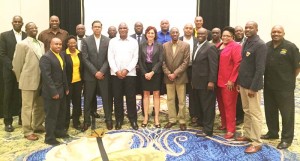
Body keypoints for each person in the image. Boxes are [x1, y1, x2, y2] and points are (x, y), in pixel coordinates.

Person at [261, 25, 300, 149]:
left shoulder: (290, 47)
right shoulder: (266, 46)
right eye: (273, 32)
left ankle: (286, 139)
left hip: (285, 87)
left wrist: (289, 80)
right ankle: (273, 132)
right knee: (270, 111)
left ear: (283, 33)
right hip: (268, 86)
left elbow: (297, 67)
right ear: (270, 33)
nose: (276, 34)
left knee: (286, 114)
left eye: (278, 32)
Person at [236, 21, 267, 153]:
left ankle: (256, 141)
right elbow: (244, 64)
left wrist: (253, 88)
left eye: (250, 27)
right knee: (246, 110)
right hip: (243, 83)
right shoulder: (246, 42)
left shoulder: (260, 45)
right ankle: (248, 135)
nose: (247, 29)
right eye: (246, 27)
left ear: (257, 29)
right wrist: (239, 82)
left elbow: (260, 69)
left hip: (252, 86)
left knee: (255, 114)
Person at [12, 22, 45, 140]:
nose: (34, 29)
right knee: (27, 107)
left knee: (40, 105)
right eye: (31, 28)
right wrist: (20, 78)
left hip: (41, 80)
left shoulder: (41, 44)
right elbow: (17, 64)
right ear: (26, 30)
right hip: (28, 80)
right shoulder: (22, 44)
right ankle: (27, 131)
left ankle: (38, 125)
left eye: (36, 27)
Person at [81, 20, 113, 131]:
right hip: (90, 75)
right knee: (88, 99)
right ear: (92, 28)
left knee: (106, 98)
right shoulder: (85, 40)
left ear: (101, 28)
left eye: (99, 27)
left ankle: (108, 120)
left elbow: (109, 58)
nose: (97, 28)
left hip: (104, 75)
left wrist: (102, 72)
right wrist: (95, 72)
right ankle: (86, 121)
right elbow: (84, 58)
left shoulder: (108, 40)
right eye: (95, 27)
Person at [108, 22, 139, 130]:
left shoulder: (134, 42)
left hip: (130, 74)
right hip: (115, 74)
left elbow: (135, 58)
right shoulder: (112, 42)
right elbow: (110, 58)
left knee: (131, 98)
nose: (122, 29)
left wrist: (126, 70)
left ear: (128, 29)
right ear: (118, 30)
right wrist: (117, 71)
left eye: (124, 27)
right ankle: (119, 120)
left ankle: (133, 119)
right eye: (120, 28)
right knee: (117, 98)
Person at [40, 38, 69, 145]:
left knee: (61, 113)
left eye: (60, 44)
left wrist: (66, 88)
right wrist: (54, 92)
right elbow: (47, 77)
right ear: (50, 44)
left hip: (62, 90)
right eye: (56, 44)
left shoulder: (61, 55)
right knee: (51, 116)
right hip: (52, 92)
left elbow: (63, 73)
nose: (58, 46)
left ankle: (59, 132)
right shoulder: (46, 57)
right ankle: (49, 137)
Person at [0, 15, 26, 132]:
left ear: (22, 23)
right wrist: (13, 67)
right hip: (9, 71)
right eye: (15, 21)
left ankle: (22, 118)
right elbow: (2, 54)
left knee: (23, 96)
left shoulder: (26, 36)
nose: (17, 23)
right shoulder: (4, 36)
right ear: (12, 23)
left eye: (19, 22)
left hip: (24, 71)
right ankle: (8, 122)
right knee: (8, 96)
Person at [216, 27, 242, 139]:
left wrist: (232, 80)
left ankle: (231, 129)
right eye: (224, 35)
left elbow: (238, 64)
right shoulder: (219, 45)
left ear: (232, 37)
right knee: (221, 105)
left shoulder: (236, 47)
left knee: (230, 106)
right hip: (218, 80)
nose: (225, 37)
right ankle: (224, 124)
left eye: (228, 36)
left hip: (228, 82)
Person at [192, 28, 218, 137]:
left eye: (203, 33)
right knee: (201, 104)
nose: (200, 35)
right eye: (199, 33)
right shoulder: (197, 45)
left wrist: (211, 81)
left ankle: (208, 130)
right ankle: (202, 123)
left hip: (207, 82)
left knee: (208, 106)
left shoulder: (210, 47)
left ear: (207, 35)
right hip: (198, 82)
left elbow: (214, 66)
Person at [162, 27, 190, 131]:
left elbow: (186, 62)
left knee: (182, 101)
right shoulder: (164, 46)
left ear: (179, 33)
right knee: (170, 99)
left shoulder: (185, 45)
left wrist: (175, 73)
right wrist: (169, 74)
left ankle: (182, 121)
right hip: (168, 77)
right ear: (170, 34)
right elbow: (163, 61)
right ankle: (172, 119)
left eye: (176, 32)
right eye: (173, 32)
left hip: (181, 77)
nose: (174, 34)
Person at [139, 26, 163, 128]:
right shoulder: (141, 45)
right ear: (146, 34)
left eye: (152, 33)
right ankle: (146, 117)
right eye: (149, 33)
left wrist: (152, 72)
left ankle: (156, 118)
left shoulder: (159, 45)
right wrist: (145, 73)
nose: (150, 35)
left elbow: (161, 60)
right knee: (146, 95)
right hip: (144, 70)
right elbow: (139, 60)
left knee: (156, 94)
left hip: (156, 71)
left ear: (155, 35)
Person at [62, 35, 83, 130]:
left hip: (78, 82)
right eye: (70, 43)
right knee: (66, 104)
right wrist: (65, 86)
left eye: (74, 43)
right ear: (67, 44)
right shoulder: (63, 55)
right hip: (68, 83)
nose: (73, 45)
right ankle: (65, 123)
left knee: (77, 103)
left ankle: (76, 122)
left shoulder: (80, 53)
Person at [179, 23, 198, 126]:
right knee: (179, 93)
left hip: (193, 69)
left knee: (192, 93)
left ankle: (193, 115)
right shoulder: (179, 39)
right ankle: (179, 114)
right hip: (181, 69)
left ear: (193, 30)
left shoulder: (197, 40)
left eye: (190, 28)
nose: (188, 30)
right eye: (186, 28)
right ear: (183, 29)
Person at [234, 25, 246, 125]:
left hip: (244, 73)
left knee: (241, 97)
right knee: (235, 96)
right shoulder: (232, 42)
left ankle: (241, 116)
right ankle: (237, 115)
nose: (238, 32)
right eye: (236, 31)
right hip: (233, 72)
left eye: (240, 30)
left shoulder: (247, 42)